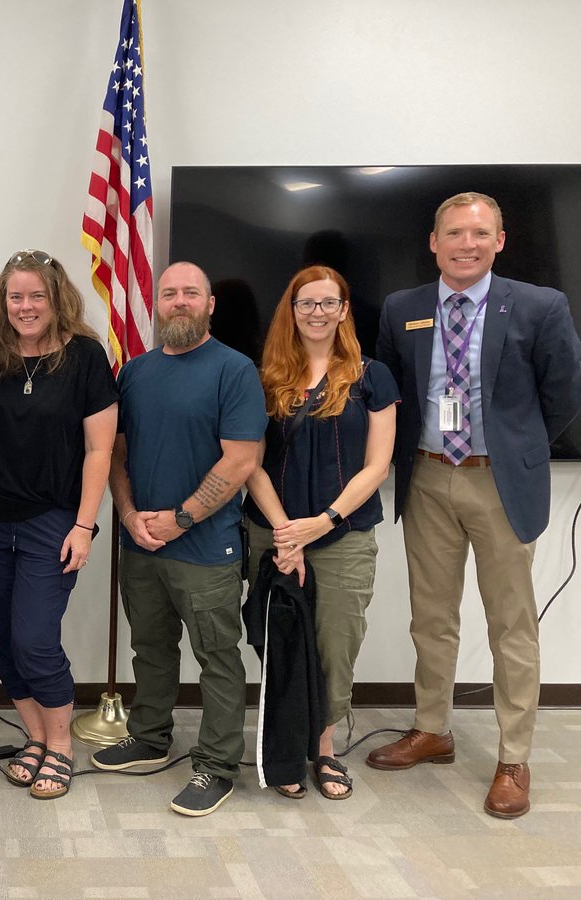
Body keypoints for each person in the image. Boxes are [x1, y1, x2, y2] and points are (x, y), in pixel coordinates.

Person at [369, 192, 581, 818]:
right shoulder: (402, 308)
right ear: (433, 242)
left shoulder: (541, 306)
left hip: (499, 482)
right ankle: (432, 728)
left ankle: (514, 757)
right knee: (430, 618)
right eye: (455, 233)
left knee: (511, 625)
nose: (467, 243)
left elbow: (564, 393)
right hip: (429, 479)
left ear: (500, 241)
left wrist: (517, 446)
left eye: (480, 233)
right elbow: (390, 389)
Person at [96, 261, 266, 817]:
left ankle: (216, 765)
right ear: (157, 303)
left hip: (205, 545)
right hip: (141, 542)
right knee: (150, 647)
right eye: (169, 293)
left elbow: (241, 459)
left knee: (217, 656)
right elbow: (117, 452)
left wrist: (182, 518)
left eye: (192, 292)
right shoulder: (135, 373)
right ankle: (150, 736)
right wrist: (126, 513)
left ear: (209, 304)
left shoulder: (234, 370)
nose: (180, 301)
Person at [243, 265, 398, 800]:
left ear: (344, 310)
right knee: (282, 644)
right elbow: (251, 463)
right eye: (306, 303)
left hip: (344, 535)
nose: (317, 313)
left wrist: (322, 523)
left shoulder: (371, 376)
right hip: (273, 533)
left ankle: (325, 750)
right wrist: (289, 534)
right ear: (292, 310)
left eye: (328, 303)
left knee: (335, 646)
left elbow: (378, 466)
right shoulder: (263, 379)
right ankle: (287, 747)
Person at [0, 249, 117, 800]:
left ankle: (60, 744)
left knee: (35, 638)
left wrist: (84, 526)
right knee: (1, 634)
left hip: (54, 520)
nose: (27, 305)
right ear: (2, 302)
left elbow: (100, 450)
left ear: (57, 299)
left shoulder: (84, 356)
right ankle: (34, 736)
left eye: (37, 295)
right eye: (16, 296)